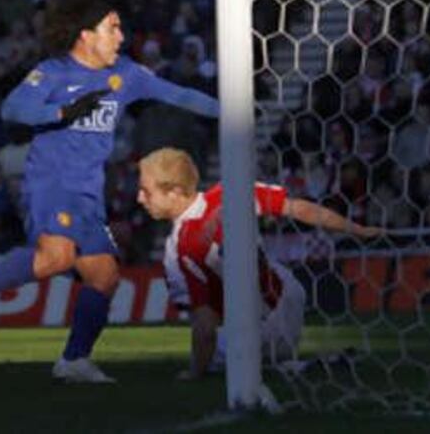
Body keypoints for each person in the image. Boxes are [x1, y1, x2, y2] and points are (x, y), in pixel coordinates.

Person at [0, 0, 219, 383]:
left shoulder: (127, 74)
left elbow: (180, 95)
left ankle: (74, 360)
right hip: (51, 182)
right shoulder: (52, 72)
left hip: (89, 192)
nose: (121, 36)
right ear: (86, 34)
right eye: (112, 28)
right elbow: (12, 108)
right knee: (56, 256)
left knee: (104, 276)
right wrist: (64, 110)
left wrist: (233, 109)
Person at [136, 148, 382, 379]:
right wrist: (355, 227)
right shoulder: (231, 192)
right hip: (291, 293)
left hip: (261, 327)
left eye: (146, 191)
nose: (139, 198)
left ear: (175, 191)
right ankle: (301, 362)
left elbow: (205, 327)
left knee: (211, 356)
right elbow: (299, 209)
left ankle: (299, 366)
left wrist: (193, 374)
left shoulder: (180, 248)